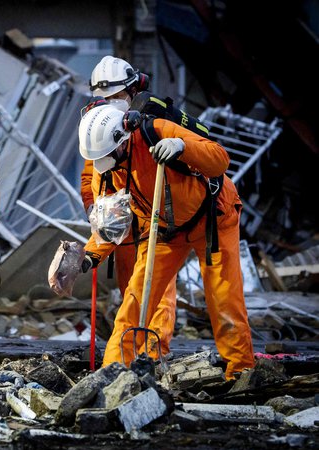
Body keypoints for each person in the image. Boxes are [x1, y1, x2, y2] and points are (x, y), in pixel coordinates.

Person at [74, 102, 254, 379]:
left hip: (213, 219)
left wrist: (182, 146)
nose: (104, 162)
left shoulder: (156, 131)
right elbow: (112, 221)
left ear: (122, 139)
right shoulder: (107, 169)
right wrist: (89, 256)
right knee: (135, 298)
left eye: (109, 154)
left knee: (224, 299)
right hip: (162, 230)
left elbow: (219, 159)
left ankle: (241, 372)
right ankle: (112, 373)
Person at [80, 55, 177, 358]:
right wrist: (94, 211)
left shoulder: (155, 122)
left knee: (159, 294)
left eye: (117, 97)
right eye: (104, 97)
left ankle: (154, 354)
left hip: (156, 220)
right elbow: (90, 173)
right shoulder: (97, 124)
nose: (110, 103)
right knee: (131, 294)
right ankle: (130, 354)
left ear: (134, 90)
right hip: (120, 224)